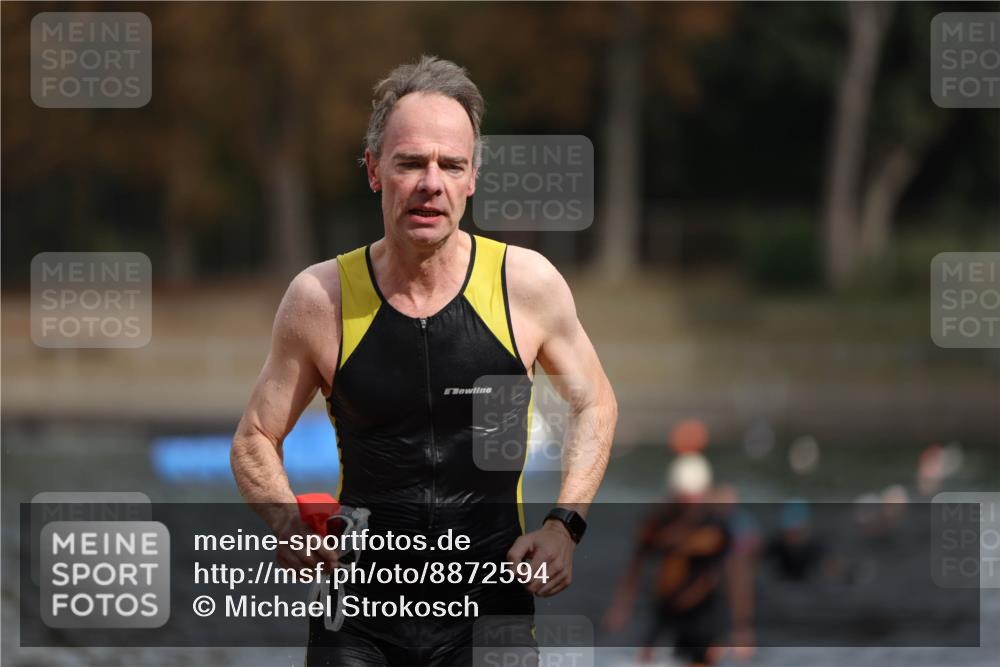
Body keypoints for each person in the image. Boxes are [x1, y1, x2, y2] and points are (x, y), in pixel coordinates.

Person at [230, 55, 618, 666]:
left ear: (472, 178)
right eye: (410, 162)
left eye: (450, 165)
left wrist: (564, 525)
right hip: (357, 618)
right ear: (374, 170)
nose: (430, 182)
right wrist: (287, 522)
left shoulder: (527, 285)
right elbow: (254, 436)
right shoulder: (320, 298)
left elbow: (595, 401)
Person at [603, 454, 741, 667]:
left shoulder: (716, 526)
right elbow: (635, 566)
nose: (689, 506)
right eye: (684, 499)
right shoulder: (657, 523)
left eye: (693, 499)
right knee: (645, 659)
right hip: (665, 607)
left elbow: (732, 574)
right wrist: (621, 607)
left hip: (702, 612)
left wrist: (740, 627)